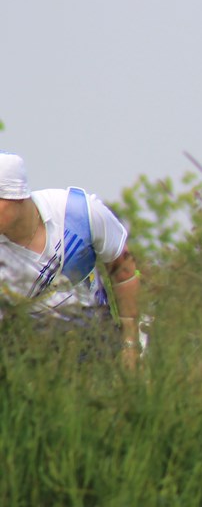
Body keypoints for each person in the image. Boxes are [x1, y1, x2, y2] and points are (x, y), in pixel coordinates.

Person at [0, 152, 142, 368]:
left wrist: (130, 344)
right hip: (30, 364)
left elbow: (123, 269)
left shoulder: (79, 213)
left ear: (17, 195)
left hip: (98, 346)